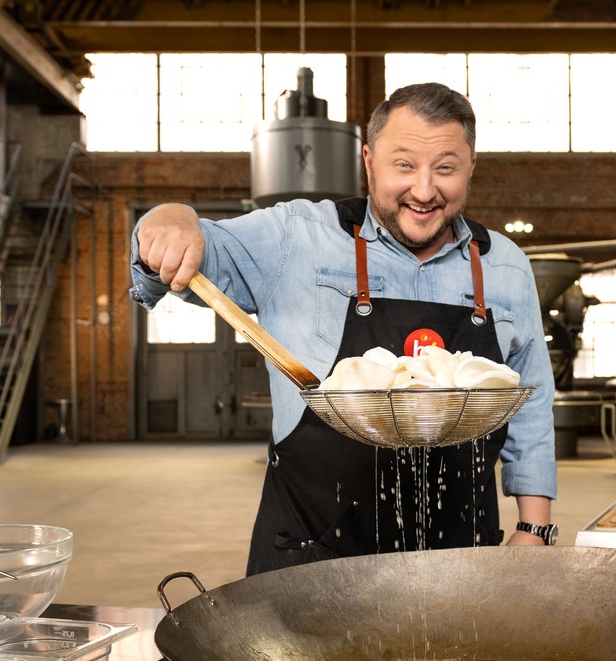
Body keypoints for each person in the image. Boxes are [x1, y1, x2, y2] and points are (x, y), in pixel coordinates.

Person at [130, 82, 556, 575]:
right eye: (403, 165)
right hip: (312, 556)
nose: (423, 190)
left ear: (470, 167)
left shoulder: (505, 264)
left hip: (461, 561)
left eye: (445, 168)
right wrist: (169, 218)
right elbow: (204, 247)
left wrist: (535, 528)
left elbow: (531, 398)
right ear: (369, 161)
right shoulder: (295, 236)